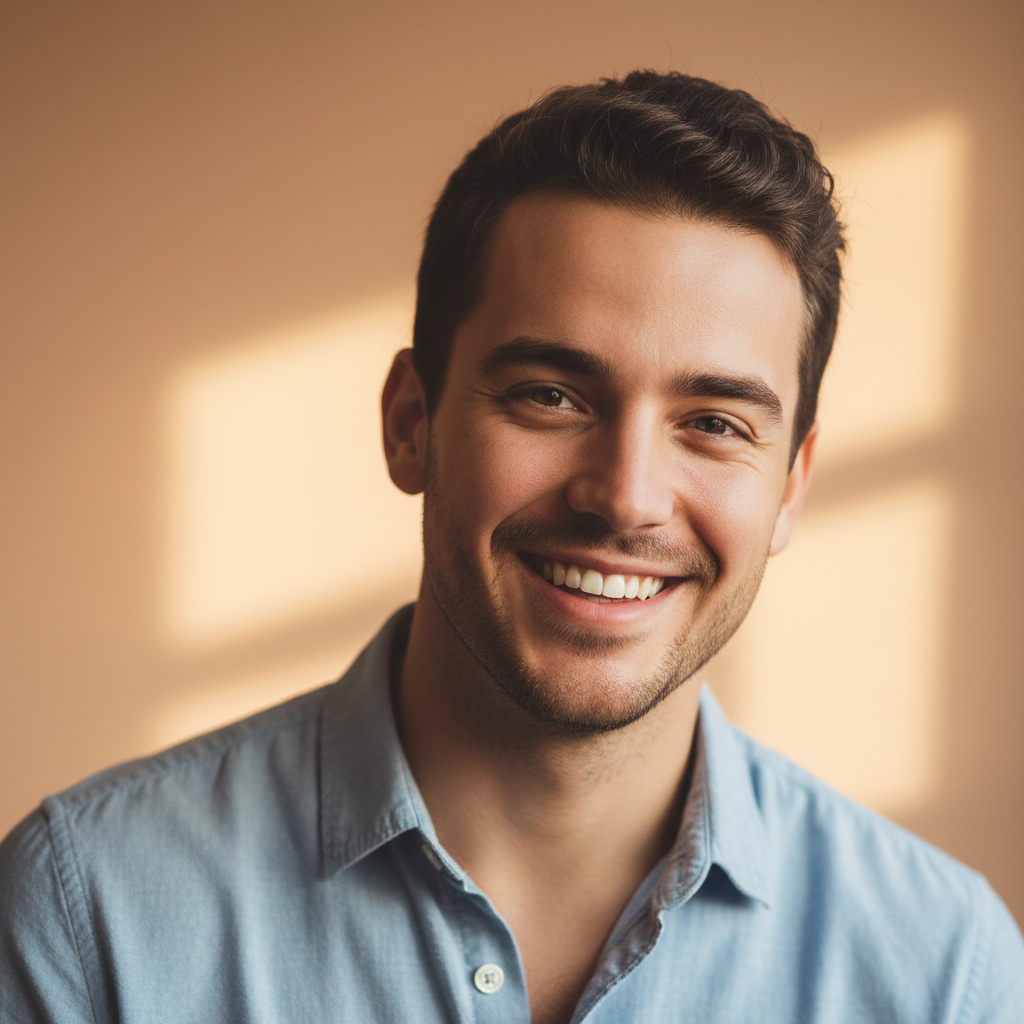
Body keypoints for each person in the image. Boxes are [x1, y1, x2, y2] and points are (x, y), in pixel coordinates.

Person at [1, 70, 1022, 1024]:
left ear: (790, 485)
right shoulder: (89, 915)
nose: (624, 497)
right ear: (411, 420)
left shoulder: (942, 968)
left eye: (713, 422)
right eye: (551, 395)